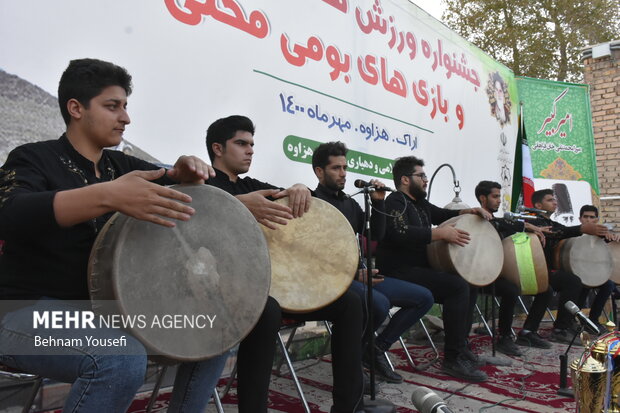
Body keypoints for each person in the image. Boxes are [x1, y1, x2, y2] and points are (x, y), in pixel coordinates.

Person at [0, 58, 228, 412]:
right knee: (119, 356)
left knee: (215, 329)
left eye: (125, 106)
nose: (126, 117)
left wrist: (184, 168)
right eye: (112, 106)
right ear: (76, 108)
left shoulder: (122, 167)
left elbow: (173, 180)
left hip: (108, 313)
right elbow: (10, 213)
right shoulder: (32, 158)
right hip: (25, 312)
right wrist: (106, 195)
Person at [205, 116, 388, 413]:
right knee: (268, 311)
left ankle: (348, 406)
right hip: (226, 289)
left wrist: (299, 186)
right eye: (241, 144)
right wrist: (238, 204)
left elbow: (290, 193)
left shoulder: (255, 185)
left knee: (352, 302)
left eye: (252, 144)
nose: (250, 150)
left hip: (271, 289)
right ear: (218, 148)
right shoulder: (204, 184)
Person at [311, 141, 433, 384]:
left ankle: (373, 349)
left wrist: (378, 201)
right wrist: (353, 276)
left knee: (424, 297)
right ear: (319, 171)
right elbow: (310, 256)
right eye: (336, 168)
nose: (343, 174)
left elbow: (376, 235)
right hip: (330, 280)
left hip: (359, 276)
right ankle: (351, 365)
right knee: (378, 304)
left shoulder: (348, 202)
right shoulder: (312, 202)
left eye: (345, 168)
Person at [376, 156, 493, 382]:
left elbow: (442, 214)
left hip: (418, 270)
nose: (426, 180)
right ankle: (452, 359)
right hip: (398, 270)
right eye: (421, 176)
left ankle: (460, 348)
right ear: (405, 179)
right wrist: (438, 233)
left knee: (468, 283)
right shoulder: (395, 200)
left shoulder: (420, 203)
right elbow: (398, 232)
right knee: (457, 287)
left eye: (425, 176)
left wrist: (469, 211)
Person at [515, 189, 609, 347]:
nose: (555, 202)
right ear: (538, 204)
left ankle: (562, 327)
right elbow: (557, 233)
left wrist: (605, 236)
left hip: (546, 273)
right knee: (571, 281)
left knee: (574, 280)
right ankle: (559, 329)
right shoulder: (534, 223)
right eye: (550, 200)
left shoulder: (554, 224)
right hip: (530, 272)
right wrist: (580, 229)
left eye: (555, 199)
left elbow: (566, 233)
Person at [472, 181, 548, 356]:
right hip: (477, 275)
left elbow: (504, 225)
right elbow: (497, 224)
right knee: (510, 290)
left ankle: (528, 332)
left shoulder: (499, 220)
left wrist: (528, 227)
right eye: (495, 196)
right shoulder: (476, 219)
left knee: (545, 289)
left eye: (500, 196)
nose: (499, 200)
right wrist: (526, 225)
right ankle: (504, 337)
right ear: (483, 198)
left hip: (497, 273)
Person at [576, 205, 618, 331]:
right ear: (580, 219)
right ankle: (572, 321)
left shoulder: (602, 235)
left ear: (597, 219)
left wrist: (615, 238)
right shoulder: (574, 233)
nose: (589, 220)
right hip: (578, 273)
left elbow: (612, 248)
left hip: (595, 273)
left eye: (592, 217)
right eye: (585, 217)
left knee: (609, 285)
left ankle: (593, 321)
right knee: (581, 284)